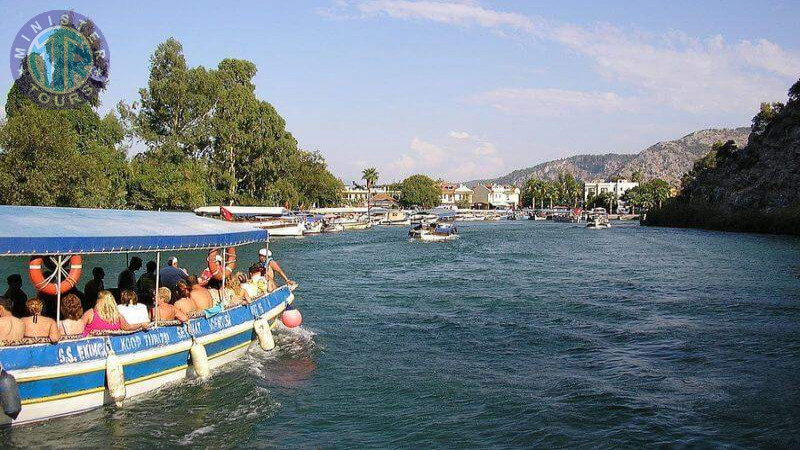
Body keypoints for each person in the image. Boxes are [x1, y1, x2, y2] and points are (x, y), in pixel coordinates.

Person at [82, 290, 148, 337]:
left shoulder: (91, 314)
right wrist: (141, 324)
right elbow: (129, 327)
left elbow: (79, 328)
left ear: (98, 301)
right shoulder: (117, 316)